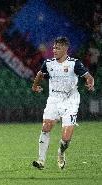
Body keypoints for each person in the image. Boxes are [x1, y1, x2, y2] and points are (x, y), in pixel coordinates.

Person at [31, 36, 95, 170]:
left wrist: (90, 84)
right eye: (54, 47)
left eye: (58, 48)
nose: (54, 50)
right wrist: (35, 86)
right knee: (46, 127)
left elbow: (89, 77)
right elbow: (40, 74)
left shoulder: (74, 63)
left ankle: (61, 152)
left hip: (70, 101)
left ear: (66, 49)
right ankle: (41, 160)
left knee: (65, 139)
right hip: (54, 99)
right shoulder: (48, 63)